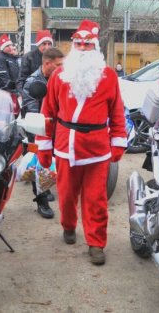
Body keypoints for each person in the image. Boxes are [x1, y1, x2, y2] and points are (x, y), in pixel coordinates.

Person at [35, 19, 127, 265]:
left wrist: (117, 141)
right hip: (66, 147)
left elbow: (117, 112)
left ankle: (96, 243)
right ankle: (68, 225)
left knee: (96, 200)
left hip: (97, 149)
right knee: (65, 196)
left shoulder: (108, 76)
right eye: (79, 44)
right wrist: (44, 146)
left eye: (88, 44)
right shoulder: (59, 77)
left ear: (95, 47)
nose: (83, 48)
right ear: (73, 46)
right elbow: (48, 112)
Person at [21, 48, 65, 219]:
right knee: (38, 164)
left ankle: (48, 189)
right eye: (58, 65)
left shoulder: (60, 78)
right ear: (47, 64)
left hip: (56, 128)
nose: (62, 68)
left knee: (54, 163)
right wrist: (47, 122)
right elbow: (32, 109)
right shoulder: (33, 82)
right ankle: (41, 201)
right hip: (38, 128)